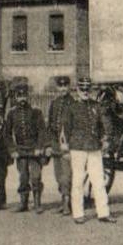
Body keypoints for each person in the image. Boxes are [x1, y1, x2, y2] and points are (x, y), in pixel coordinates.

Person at [61, 75, 115, 225]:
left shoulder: (96, 106)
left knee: (98, 181)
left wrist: (106, 140)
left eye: (87, 89)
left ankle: (103, 213)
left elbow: (105, 124)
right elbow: (65, 128)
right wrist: (65, 147)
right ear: (77, 90)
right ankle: (78, 214)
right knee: (77, 181)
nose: (85, 91)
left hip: (94, 147)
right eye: (82, 89)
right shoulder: (71, 107)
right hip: (77, 148)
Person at [7, 79, 49, 214]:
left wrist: (39, 147)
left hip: (34, 150)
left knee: (36, 177)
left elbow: (42, 131)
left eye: (24, 96)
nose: (22, 99)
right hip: (20, 150)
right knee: (23, 177)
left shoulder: (36, 112)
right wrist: (12, 149)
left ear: (28, 96)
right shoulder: (11, 113)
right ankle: (23, 203)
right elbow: (7, 134)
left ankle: (37, 203)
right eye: (19, 96)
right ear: (16, 97)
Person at [47, 75, 73, 216]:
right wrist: (50, 144)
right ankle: (63, 200)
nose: (63, 89)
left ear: (69, 87)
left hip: (68, 145)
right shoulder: (54, 103)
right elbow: (50, 125)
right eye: (60, 86)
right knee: (58, 175)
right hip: (57, 144)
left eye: (65, 86)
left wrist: (70, 145)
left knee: (66, 175)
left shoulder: (73, 103)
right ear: (57, 87)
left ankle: (67, 203)